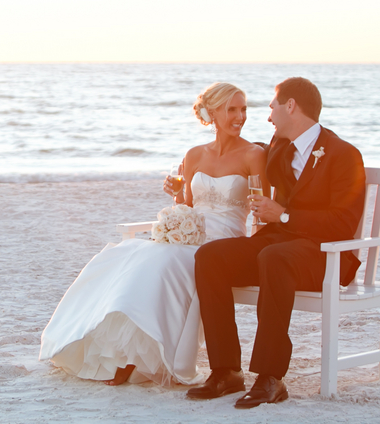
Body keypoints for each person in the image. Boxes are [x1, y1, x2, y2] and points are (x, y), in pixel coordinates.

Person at [39, 83, 268, 386]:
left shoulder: (253, 155)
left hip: (225, 240)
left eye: (243, 109)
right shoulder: (195, 154)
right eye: (232, 109)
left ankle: (141, 357)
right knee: (131, 254)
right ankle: (124, 353)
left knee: (163, 260)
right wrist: (176, 196)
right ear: (212, 113)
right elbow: (187, 207)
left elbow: (261, 208)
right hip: (191, 234)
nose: (240, 116)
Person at [188, 77, 366, 408]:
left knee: (274, 257)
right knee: (210, 256)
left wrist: (283, 216)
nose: (268, 116)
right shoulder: (280, 145)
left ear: (291, 106)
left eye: (271, 107)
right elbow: (247, 153)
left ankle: (270, 377)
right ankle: (226, 370)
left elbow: (342, 224)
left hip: (324, 254)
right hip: (278, 246)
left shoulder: (344, 154)